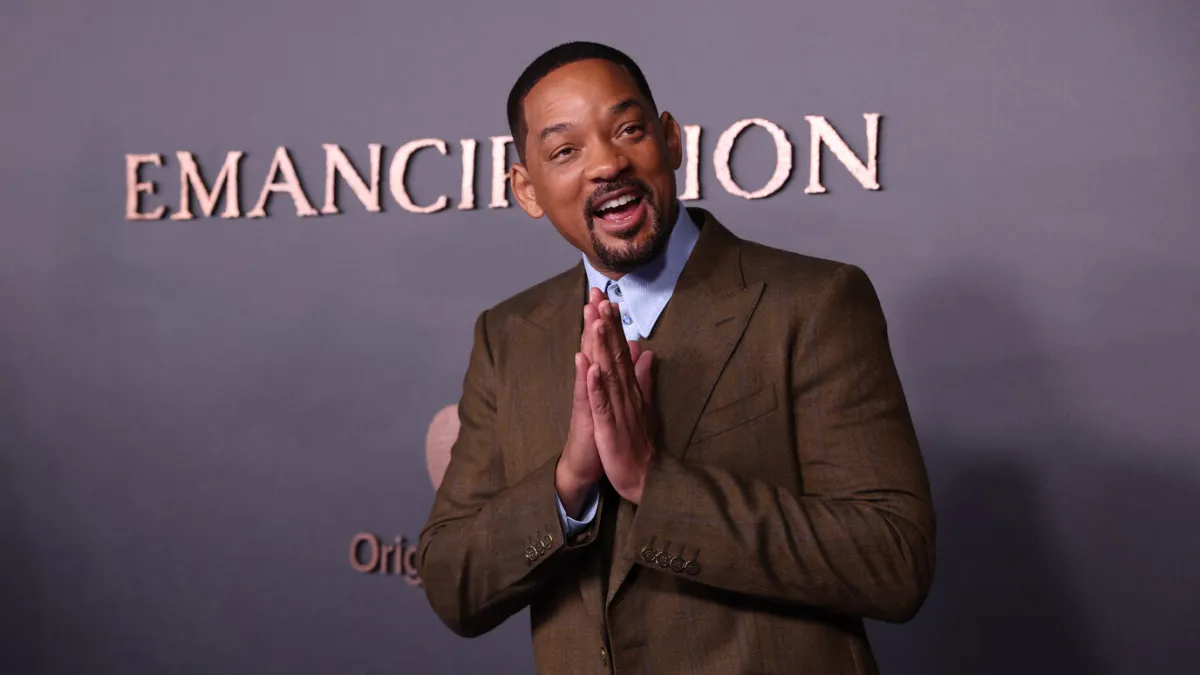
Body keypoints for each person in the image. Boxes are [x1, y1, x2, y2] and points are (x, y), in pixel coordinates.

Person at [418, 41, 935, 674]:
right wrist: (568, 481)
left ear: (670, 140)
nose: (608, 163)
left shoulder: (813, 302)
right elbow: (450, 583)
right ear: (527, 189)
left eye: (628, 130)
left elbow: (893, 560)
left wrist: (650, 483)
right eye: (565, 150)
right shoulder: (507, 335)